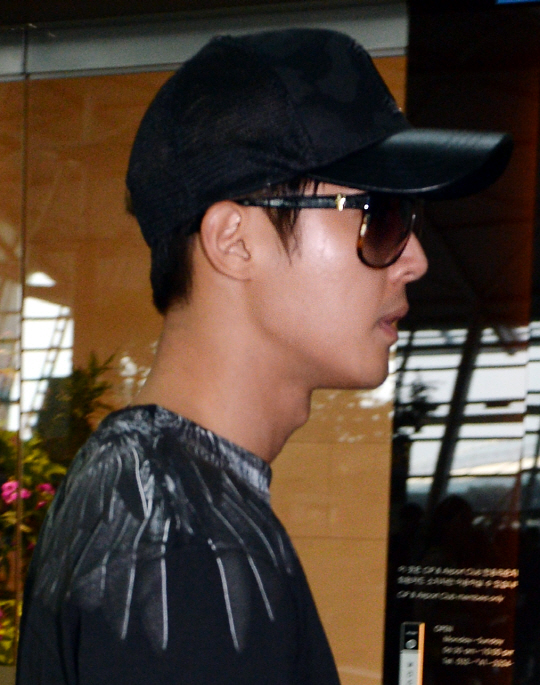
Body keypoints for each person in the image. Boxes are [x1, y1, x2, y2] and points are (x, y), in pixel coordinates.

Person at [16, 28, 512, 685]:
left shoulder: (154, 491)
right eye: (380, 215)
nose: (415, 260)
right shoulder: (184, 545)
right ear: (235, 240)